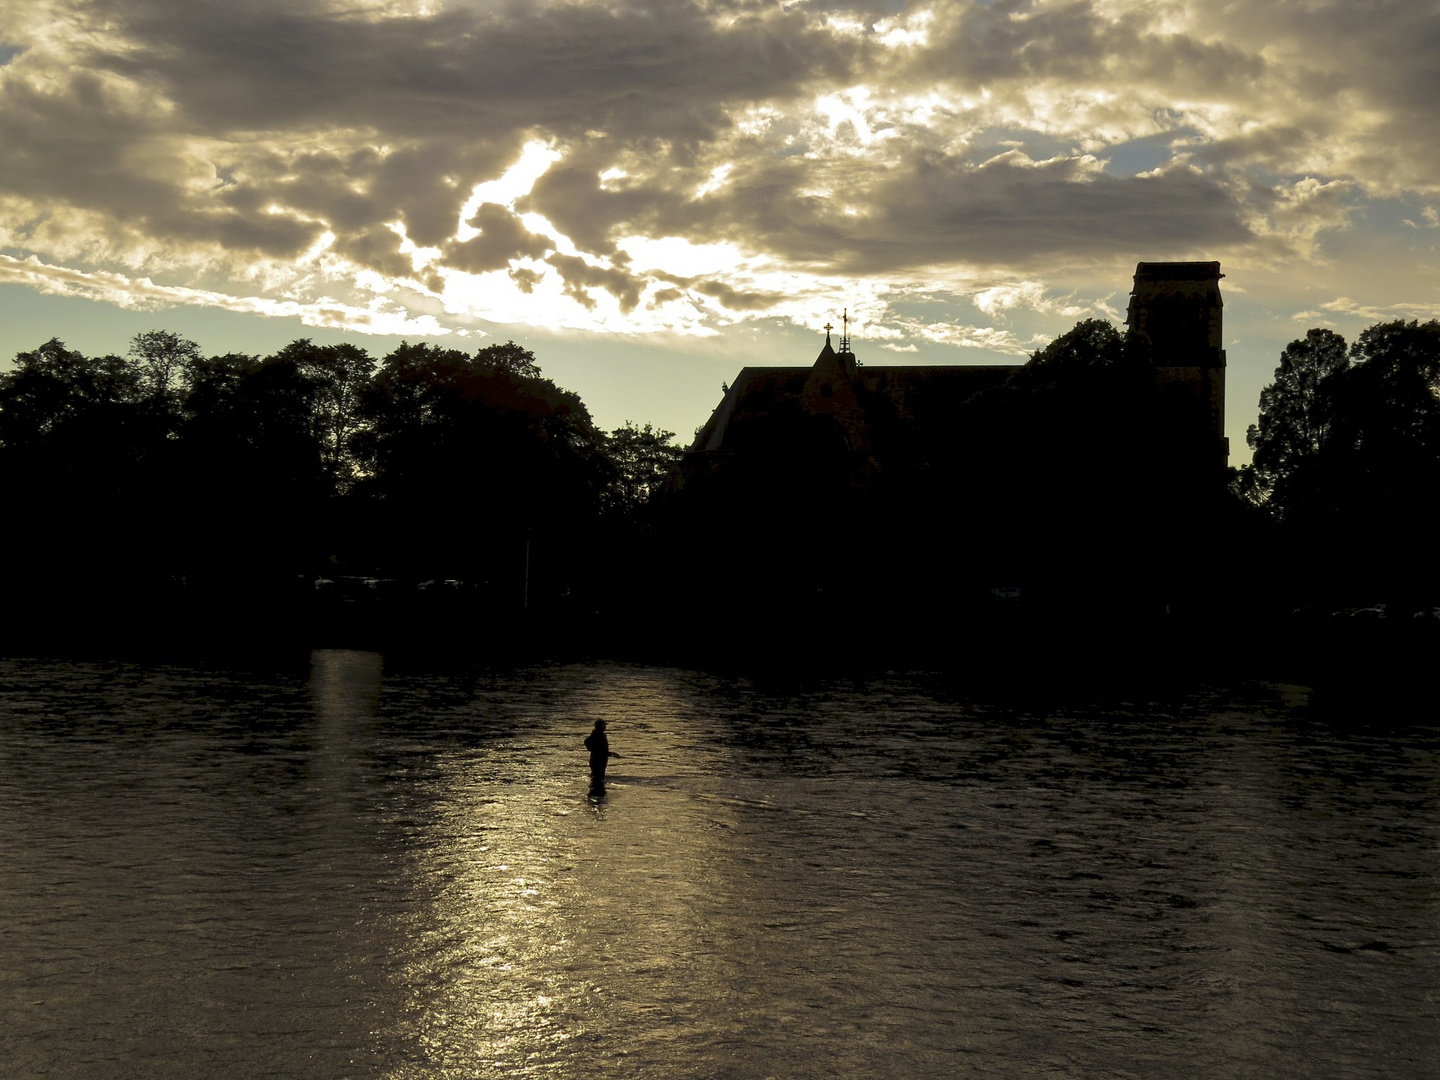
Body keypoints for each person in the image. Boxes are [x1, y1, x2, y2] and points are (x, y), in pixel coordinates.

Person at [584, 719, 616, 793]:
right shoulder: (597, 735)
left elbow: (601, 750)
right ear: (601, 726)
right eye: (604, 725)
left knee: (598, 778)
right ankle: (596, 793)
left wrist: (608, 753)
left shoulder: (599, 735)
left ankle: (597, 792)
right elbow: (587, 742)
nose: (605, 727)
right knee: (597, 778)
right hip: (597, 761)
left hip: (600, 760)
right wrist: (595, 751)